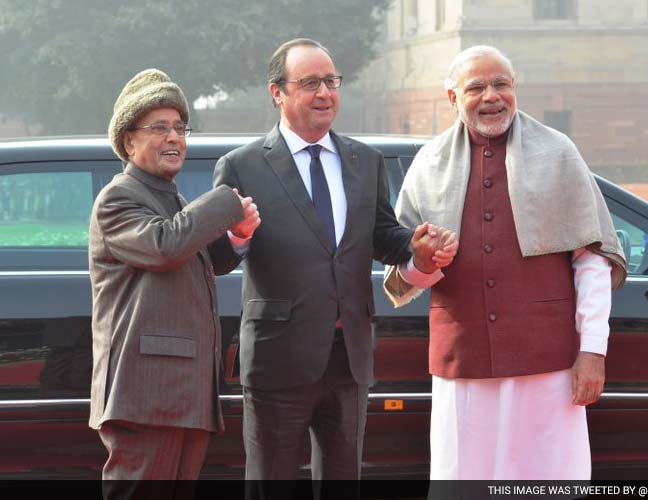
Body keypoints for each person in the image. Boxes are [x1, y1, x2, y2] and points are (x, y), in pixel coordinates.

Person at [212, 38, 456, 495]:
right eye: (310, 83)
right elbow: (218, 259)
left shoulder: (365, 161)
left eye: (331, 81)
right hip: (278, 358)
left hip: (350, 356)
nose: (325, 93)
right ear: (277, 92)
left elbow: (384, 235)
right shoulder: (242, 166)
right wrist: (239, 234)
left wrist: (416, 250)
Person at [384, 45, 627, 481]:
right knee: (465, 479)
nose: (492, 96)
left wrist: (592, 352)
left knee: (547, 479)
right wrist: (424, 260)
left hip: (547, 364)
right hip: (464, 364)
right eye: (476, 87)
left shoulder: (558, 152)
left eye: (502, 84)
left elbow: (591, 261)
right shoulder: (428, 164)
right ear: (453, 99)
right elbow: (407, 276)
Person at [88, 68, 260, 496]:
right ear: (128, 142)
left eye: (180, 128)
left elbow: (190, 257)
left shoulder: (172, 198)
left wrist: (236, 239)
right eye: (159, 128)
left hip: (183, 394)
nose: (174, 138)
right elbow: (164, 247)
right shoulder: (119, 196)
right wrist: (225, 200)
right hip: (146, 395)